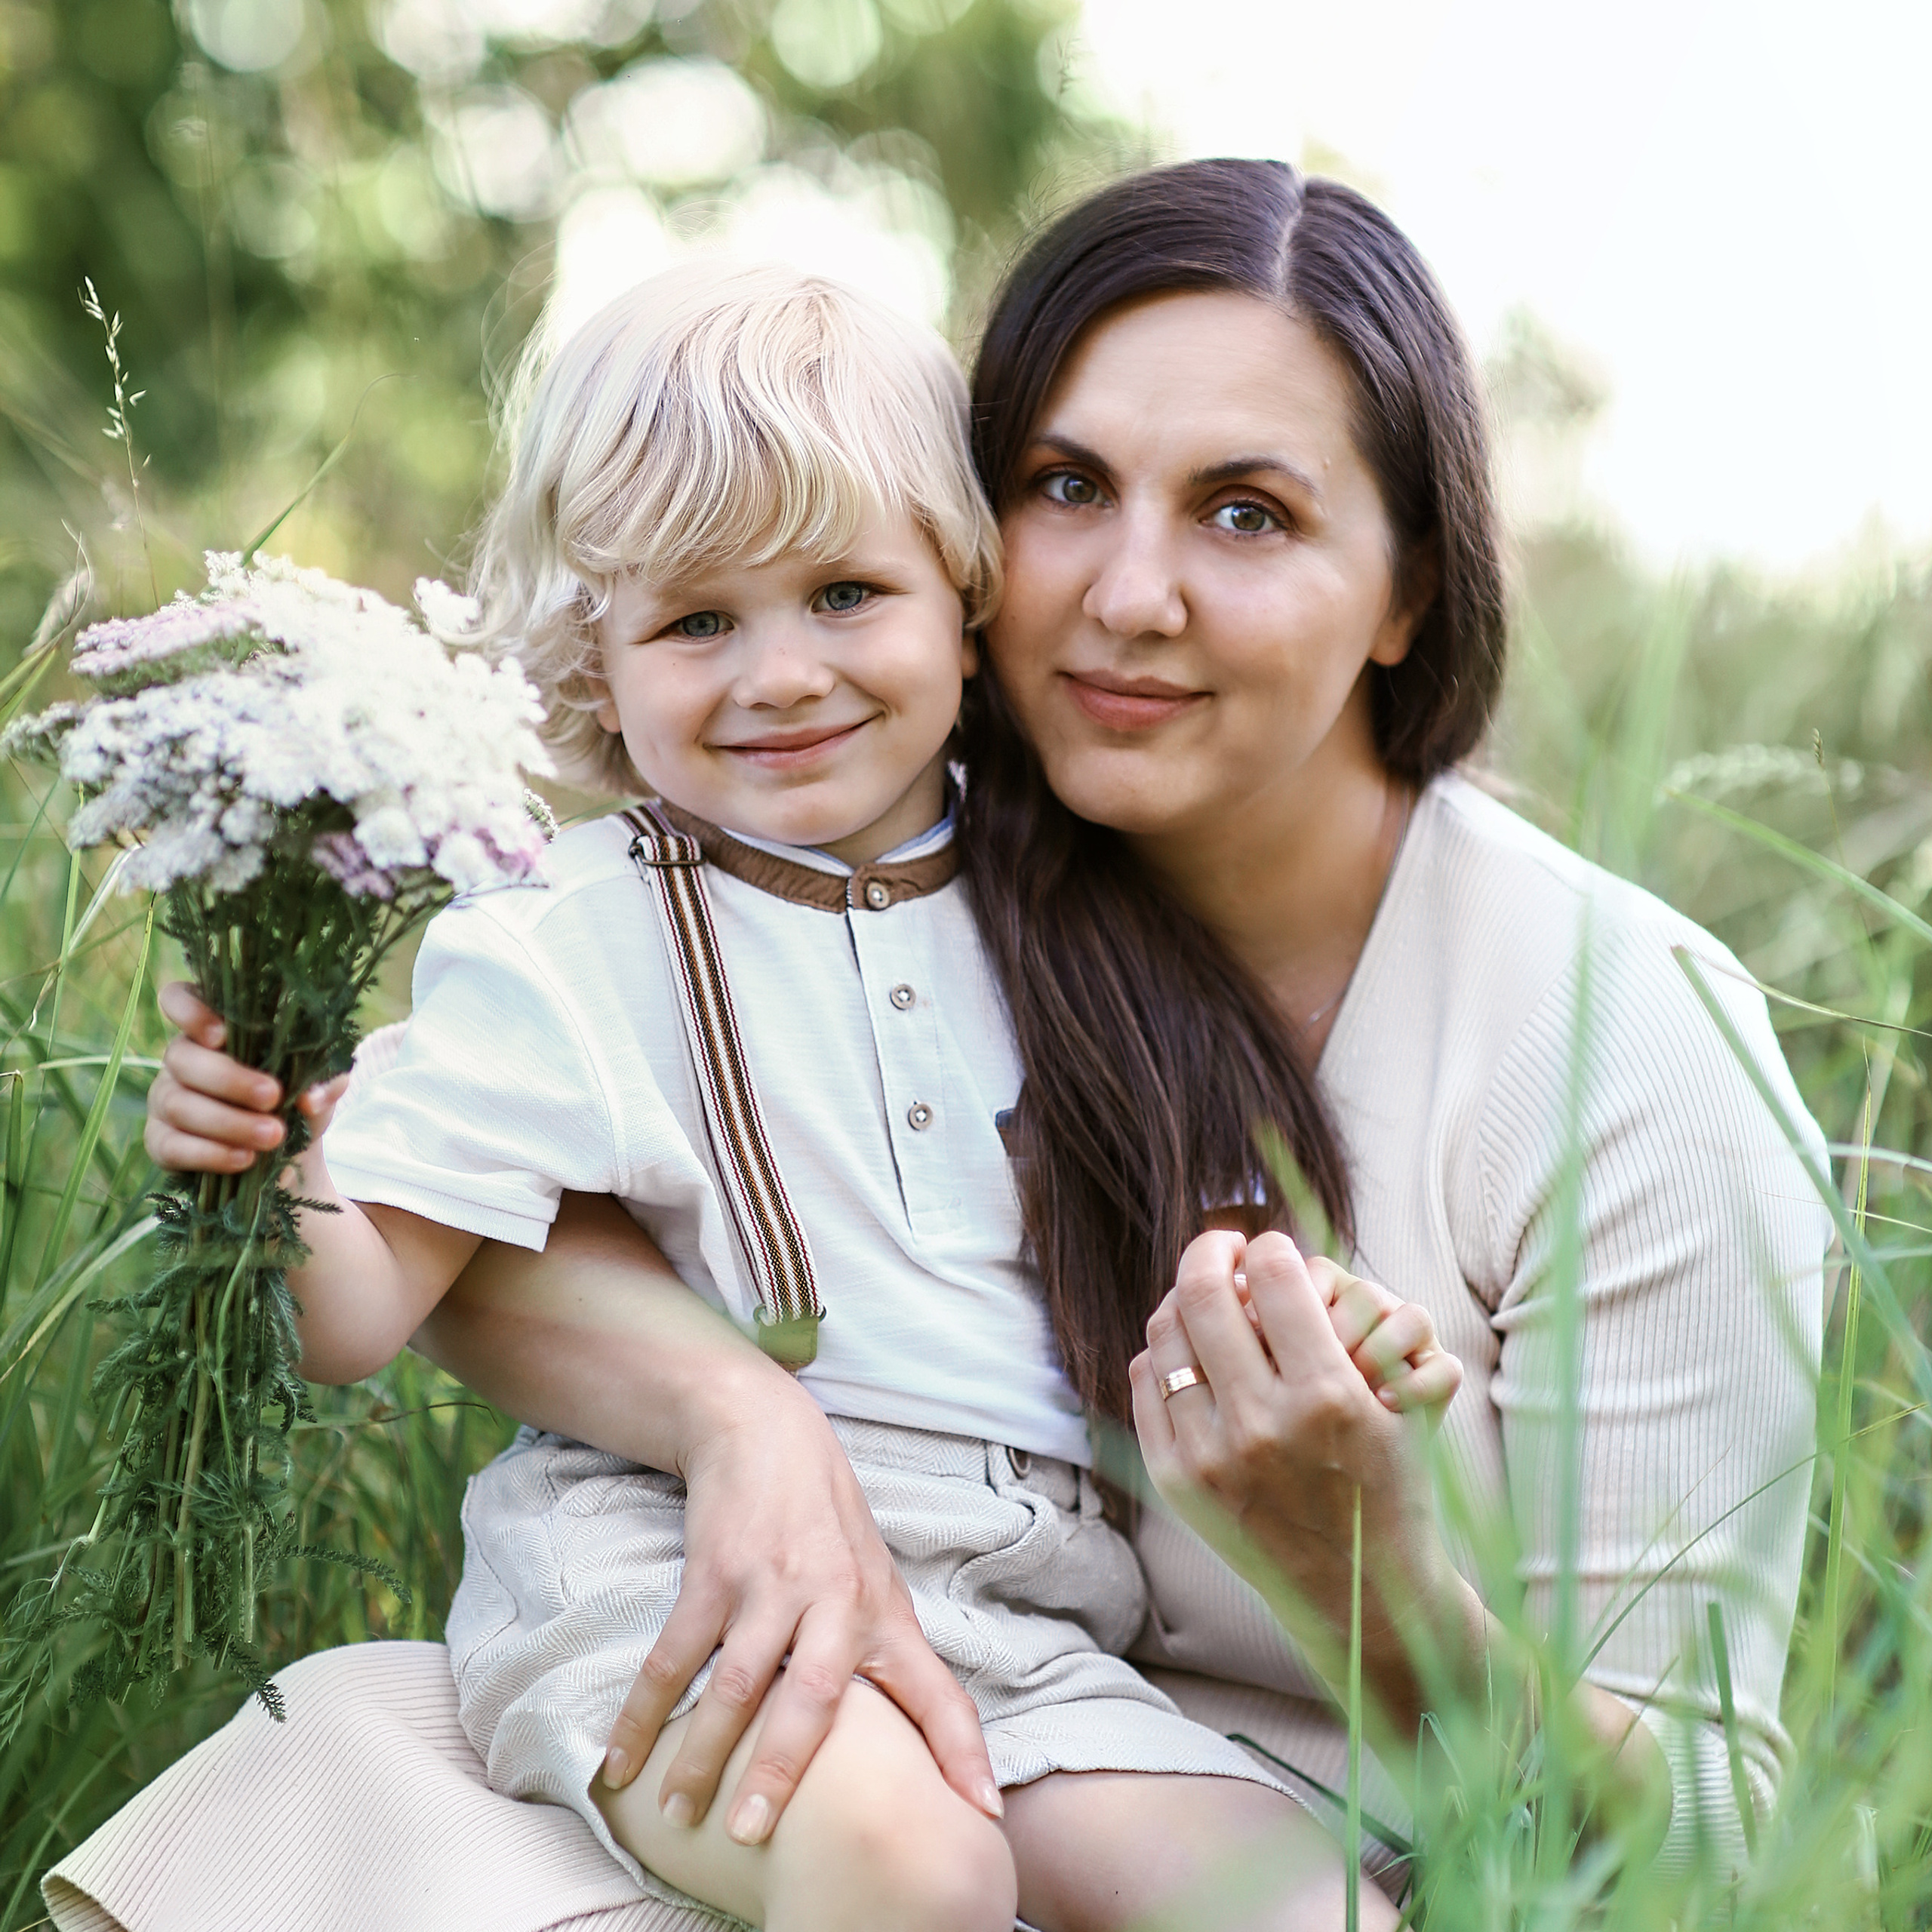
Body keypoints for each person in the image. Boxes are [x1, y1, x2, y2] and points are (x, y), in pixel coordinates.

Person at [66, 158, 1826, 1932]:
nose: (1128, 594)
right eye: (1067, 485)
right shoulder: (831, 866)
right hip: (732, 1646)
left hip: (1085, 1708)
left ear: (1406, 589)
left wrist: (1375, 1576)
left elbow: (1683, 1857)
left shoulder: (1615, 1037)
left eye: (1246, 511)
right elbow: (457, 1235)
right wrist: (728, 1401)